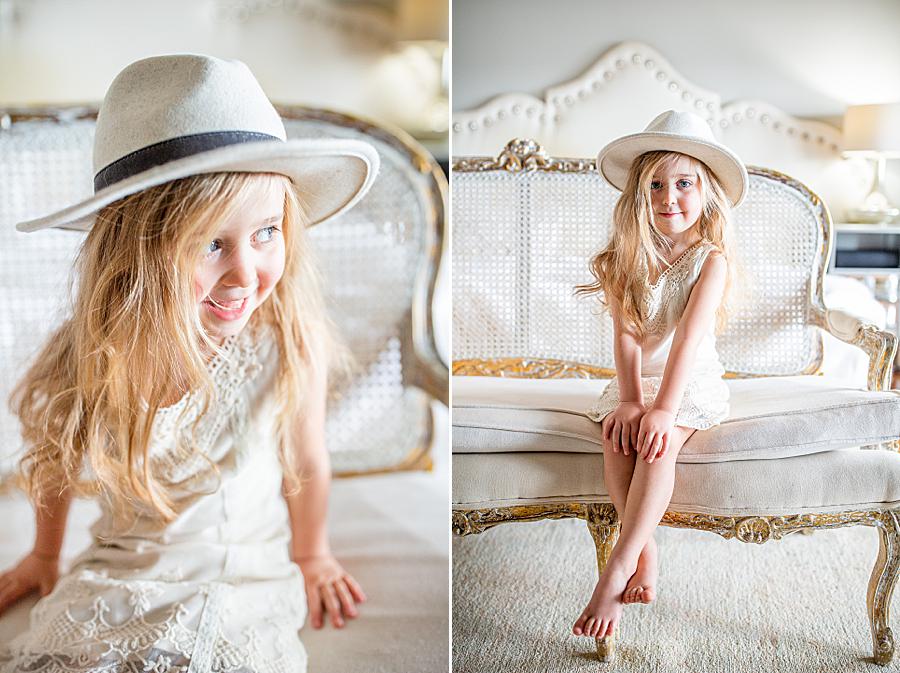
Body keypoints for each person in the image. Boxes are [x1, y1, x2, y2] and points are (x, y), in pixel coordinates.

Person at [0, 53, 380, 672]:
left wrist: (312, 555)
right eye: (210, 243)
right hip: (122, 568)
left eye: (266, 233)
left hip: (238, 572)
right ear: (138, 250)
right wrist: (45, 556)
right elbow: (56, 455)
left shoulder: (286, 340)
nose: (246, 273)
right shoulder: (94, 347)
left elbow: (307, 458)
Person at [572, 110, 747, 640]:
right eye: (655, 185)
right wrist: (630, 400)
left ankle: (616, 570)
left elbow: (689, 342)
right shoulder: (630, 255)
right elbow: (625, 336)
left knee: (657, 444)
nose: (669, 197)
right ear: (638, 195)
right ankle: (644, 547)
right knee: (616, 439)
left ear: (707, 192)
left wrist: (664, 410)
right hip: (637, 380)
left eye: (683, 183)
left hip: (688, 382)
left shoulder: (710, 260)